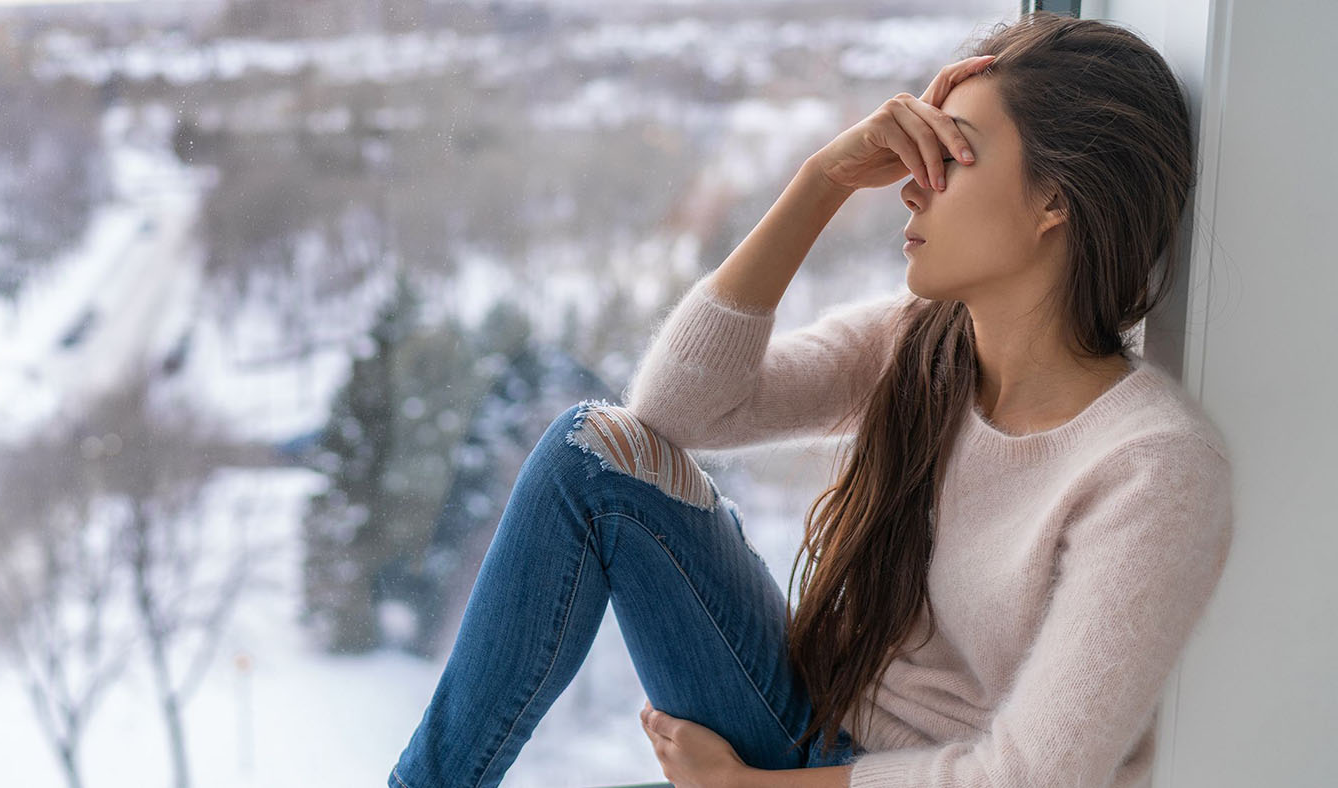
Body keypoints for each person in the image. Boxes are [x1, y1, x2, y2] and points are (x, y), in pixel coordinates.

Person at [388, 10, 1233, 788]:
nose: (911, 182)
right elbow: (677, 415)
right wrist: (822, 179)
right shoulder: (922, 341)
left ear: (1055, 198)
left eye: (953, 153)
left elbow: (1028, 777)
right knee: (590, 450)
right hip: (808, 719)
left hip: (859, 777)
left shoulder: (1151, 467)